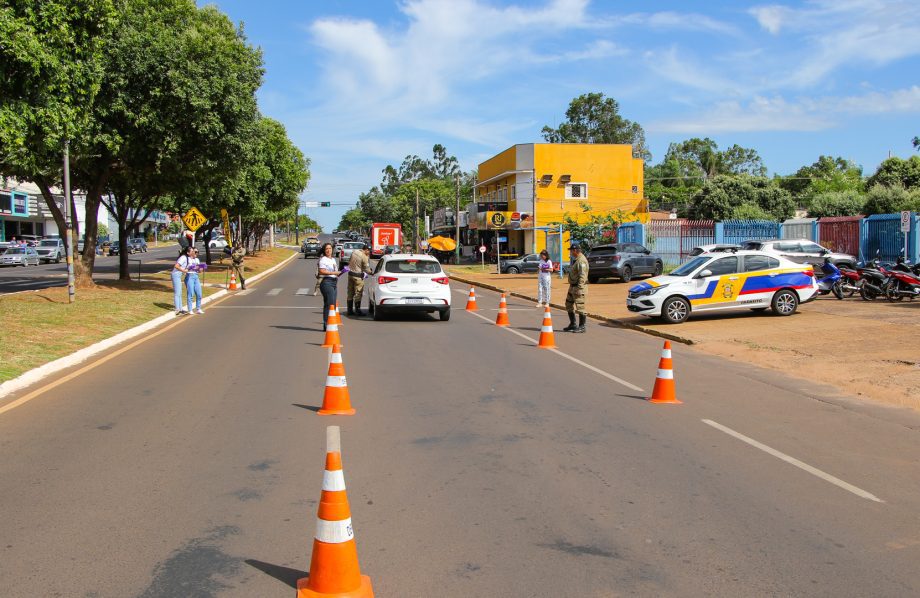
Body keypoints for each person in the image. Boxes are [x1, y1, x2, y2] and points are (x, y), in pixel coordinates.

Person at [564, 240, 589, 333]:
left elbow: (583, 275)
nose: (570, 252)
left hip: (578, 287)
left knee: (580, 307)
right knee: (568, 304)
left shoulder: (582, 261)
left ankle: (582, 326)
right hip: (572, 287)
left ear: (575, 250)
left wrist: (579, 287)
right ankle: (573, 324)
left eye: (571, 250)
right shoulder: (577, 260)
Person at [317, 242, 341, 331]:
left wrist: (339, 273)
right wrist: (334, 273)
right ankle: (326, 324)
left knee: (333, 304)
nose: (328, 250)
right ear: (324, 250)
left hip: (334, 282)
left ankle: (330, 323)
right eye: (326, 248)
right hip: (327, 282)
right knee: (329, 304)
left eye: (330, 248)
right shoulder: (323, 259)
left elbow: (335, 271)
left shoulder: (333, 260)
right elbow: (321, 271)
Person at [346, 243, 374, 316]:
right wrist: (372, 273)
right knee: (358, 293)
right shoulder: (364, 257)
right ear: (366, 250)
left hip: (350, 274)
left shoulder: (354, 252)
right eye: (369, 251)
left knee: (350, 292)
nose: (370, 252)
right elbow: (367, 269)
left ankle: (349, 310)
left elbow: (349, 261)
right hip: (358, 277)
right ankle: (357, 311)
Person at [172, 246, 192, 315]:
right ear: (187, 252)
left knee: (180, 292)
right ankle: (177, 309)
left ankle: (180, 308)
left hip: (179, 275)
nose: (193, 252)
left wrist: (186, 270)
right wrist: (184, 270)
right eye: (191, 251)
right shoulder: (183, 257)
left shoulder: (187, 258)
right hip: (176, 275)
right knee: (177, 292)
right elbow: (176, 266)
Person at [185, 247, 204, 314]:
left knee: (199, 294)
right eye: (194, 252)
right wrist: (191, 268)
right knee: (191, 293)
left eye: (197, 252)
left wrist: (200, 269)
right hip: (190, 276)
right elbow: (185, 268)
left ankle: (198, 308)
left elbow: (199, 270)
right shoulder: (187, 259)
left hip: (196, 276)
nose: (196, 253)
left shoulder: (197, 260)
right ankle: (190, 309)